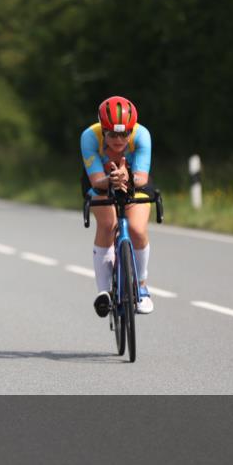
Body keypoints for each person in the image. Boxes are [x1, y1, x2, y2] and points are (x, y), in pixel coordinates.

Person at [80, 96, 155, 316]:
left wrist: (127, 177)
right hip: (102, 181)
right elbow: (95, 181)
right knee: (107, 224)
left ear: (133, 130)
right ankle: (104, 292)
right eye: (112, 134)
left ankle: (141, 285)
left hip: (135, 181)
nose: (119, 140)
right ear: (103, 130)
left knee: (137, 229)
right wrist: (112, 179)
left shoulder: (142, 135)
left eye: (124, 133)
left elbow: (142, 177)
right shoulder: (89, 137)